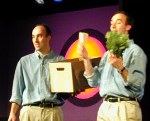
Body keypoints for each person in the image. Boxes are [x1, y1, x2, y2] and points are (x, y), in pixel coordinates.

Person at [78, 11, 147, 121]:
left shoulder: (135, 52)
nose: (113, 26)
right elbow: (94, 81)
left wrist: (121, 68)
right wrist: (86, 59)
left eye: (118, 22)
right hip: (105, 107)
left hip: (124, 107)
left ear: (128, 27)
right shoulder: (107, 54)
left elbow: (138, 83)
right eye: (111, 23)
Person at [8, 23, 70, 121]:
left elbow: (66, 90)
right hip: (29, 112)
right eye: (33, 37)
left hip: (52, 112)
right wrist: (12, 113)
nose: (35, 40)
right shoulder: (24, 61)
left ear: (48, 37)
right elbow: (17, 92)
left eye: (39, 36)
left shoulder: (60, 61)